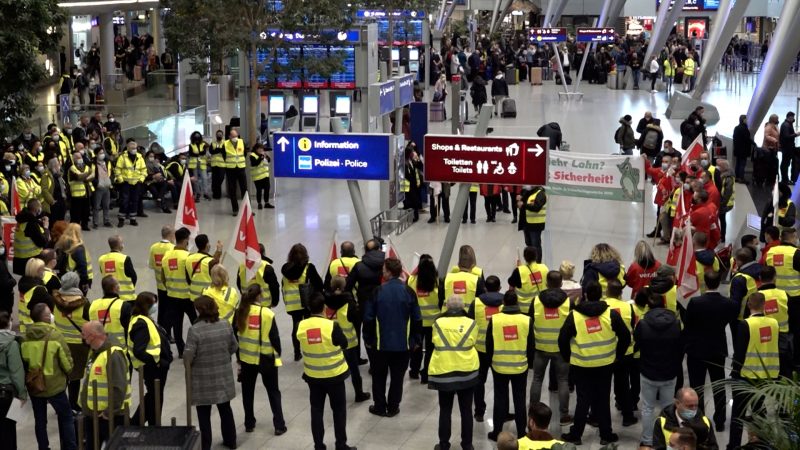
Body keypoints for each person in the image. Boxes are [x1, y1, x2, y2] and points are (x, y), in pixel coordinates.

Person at [559, 281, 631, 445]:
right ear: (601, 295)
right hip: (605, 364)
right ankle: (606, 435)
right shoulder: (610, 314)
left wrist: (568, 358)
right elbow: (626, 336)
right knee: (603, 399)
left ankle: (576, 435)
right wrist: (617, 355)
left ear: (584, 295)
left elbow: (562, 339)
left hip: (581, 364)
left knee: (582, 399)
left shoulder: (575, 316)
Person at [297, 293, 356, 450]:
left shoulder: (302, 326)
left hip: (313, 376)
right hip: (334, 376)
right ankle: (341, 445)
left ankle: (318, 445)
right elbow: (344, 343)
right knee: (338, 412)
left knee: (316, 411)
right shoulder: (331, 326)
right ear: (324, 308)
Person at [364, 257, 421, 417]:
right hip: (403, 345)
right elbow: (417, 318)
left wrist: (368, 339)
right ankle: (393, 406)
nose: (382, 272)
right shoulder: (409, 292)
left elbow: (368, 318)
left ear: (389, 272)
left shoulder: (377, 291)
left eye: (384, 269)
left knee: (379, 377)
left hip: (380, 344)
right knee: (397, 378)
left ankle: (380, 406)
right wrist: (416, 340)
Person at [684, 271, 738, 430]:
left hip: (697, 350)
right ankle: (720, 420)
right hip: (718, 349)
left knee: (697, 387)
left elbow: (688, 325)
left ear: (704, 282)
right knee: (719, 386)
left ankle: (698, 420)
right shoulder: (728, 304)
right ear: (720, 282)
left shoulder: (695, 302)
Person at [184, 295, 238, 450]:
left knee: (203, 413)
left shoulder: (195, 330)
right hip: (223, 376)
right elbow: (234, 346)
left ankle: (206, 445)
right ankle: (231, 440)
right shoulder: (225, 324)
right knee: (225, 408)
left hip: (202, 379)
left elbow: (188, 356)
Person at [728, 293, 780, 449]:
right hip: (766, 376)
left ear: (749, 305)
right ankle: (762, 444)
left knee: (738, 414)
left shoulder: (745, 325)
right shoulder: (774, 323)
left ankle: (734, 446)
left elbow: (739, 352)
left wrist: (734, 372)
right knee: (759, 412)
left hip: (746, 376)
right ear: (764, 305)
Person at [21, 303, 76, 450]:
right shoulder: (55, 336)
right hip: (55, 386)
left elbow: (24, 363)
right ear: (46, 317)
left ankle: (43, 447)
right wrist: (68, 371)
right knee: (66, 418)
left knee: (40, 421)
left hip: (35, 386)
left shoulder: (25, 338)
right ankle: (70, 447)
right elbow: (67, 362)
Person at [428, 295, 479, 450]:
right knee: (466, 411)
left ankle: (443, 444)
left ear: (447, 307)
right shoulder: (472, 323)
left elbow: (434, 342)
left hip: (443, 370)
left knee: (445, 409)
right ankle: (467, 444)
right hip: (467, 370)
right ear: (463, 307)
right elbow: (472, 342)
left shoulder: (437, 323)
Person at [234, 285, 287, 435]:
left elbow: (235, 336)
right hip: (266, 360)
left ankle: (249, 423)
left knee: (247, 392)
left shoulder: (240, 312)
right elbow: (275, 338)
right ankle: (279, 425)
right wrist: (278, 353)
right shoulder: (267, 314)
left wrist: (238, 358)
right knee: (273, 391)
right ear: (259, 296)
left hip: (246, 359)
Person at [635, 287, 684, 448]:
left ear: (648, 306)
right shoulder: (676, 324)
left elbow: (637, 344)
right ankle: (666, 439)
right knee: (668, 408)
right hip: (670, 372)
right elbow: (681, 348)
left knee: (648, 408)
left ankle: (648, 440)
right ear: (664, 305)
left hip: (648, 372)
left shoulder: (642, 324)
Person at [486, 291, 534, 440]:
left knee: (500, 399)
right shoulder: (526, 320)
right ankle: (521, 432)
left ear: (504, 303)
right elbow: (531, 344)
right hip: (520, 366)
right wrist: (530, 363)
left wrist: (489, 362)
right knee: (520, 400)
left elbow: (489, 343)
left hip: (499, 365)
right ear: (517, 302)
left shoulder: (495, 319)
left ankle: (497, 432)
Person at [528, 271, 572, 424]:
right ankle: (564, 416)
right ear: (561, 284)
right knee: (563, 381)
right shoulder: (568, 302)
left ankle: (533, 413)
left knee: (537, 379)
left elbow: (529, 322)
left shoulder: (536, 301)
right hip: (561, 349)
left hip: (540, 347)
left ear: (546, 283)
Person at [80, 320, 130, 450]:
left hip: (109, 417)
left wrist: (109, 412)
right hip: (93, 414)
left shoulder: (113, 355)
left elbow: (119, 386)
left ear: (92, 336)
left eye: (84, 334)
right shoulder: (95, 352)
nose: (81, 337)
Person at [127, 292, 172, 426]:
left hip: (155, 367)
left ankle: (152, 424)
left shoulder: (144, 319)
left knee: (154, 397)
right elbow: (139, 350)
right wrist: (157, 362)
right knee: (153, 398)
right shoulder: (141, 323)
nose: (155, 306)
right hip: (153, 369)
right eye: (153, 303)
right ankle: (137, 424)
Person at [324, 276, 370, 402]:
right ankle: (359, 393)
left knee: (333, 370)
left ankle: (335, 396)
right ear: (344, 287)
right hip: (348, 343)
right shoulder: (348, 303)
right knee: (354, 370)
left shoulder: (324, 301)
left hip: (330, 342)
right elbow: (356, 321)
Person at [52, 272, 90, 412]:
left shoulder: (55, 301)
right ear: (76, 283)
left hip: (59, 342)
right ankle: (73, 404)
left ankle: (61, 405)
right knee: (75, 376)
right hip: (78, 344)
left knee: (62, 374)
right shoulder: (84, 303)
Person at [603, 279, 638, 427]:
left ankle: (598, 418)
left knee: (603, 386)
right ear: (621, 293)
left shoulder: (602, 306)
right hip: (625, 351)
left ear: (607, 291)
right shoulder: (629, 307)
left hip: (606, 351)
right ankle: (627, 416)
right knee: (623, 384)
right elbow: (631, 328)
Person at [345, 239, 386, 364]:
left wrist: (353, 302)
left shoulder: (359, 266)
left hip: (364, 305)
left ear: (365, 251)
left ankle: (370, 361)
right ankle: (383, 360)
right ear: (379, 249)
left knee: (366, 333)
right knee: (381, 332)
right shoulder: (386, 265)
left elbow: (347, 287)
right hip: (383, 305)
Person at [281, 243, 323, 360]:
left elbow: (282, 285)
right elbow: (319, 284)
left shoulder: (285, 269)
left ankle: (297, 353)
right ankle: (310, 349)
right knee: (309, 325)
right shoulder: (309, 267)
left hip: (292, 303)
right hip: (307, 302)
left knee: (296, 326)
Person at [407, 254, 444, 383]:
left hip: (417, 321)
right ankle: (426, 374)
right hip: (433, 321)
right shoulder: (438, 281)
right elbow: (441, 301)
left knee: (416, 346)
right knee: (430, 349)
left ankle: (414, 370)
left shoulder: (411, 280)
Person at [162, 227, 194, 356]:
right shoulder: (188, 257)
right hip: (188, 296)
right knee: (195, 322)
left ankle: (181, 350)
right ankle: (198, 346)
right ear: (186, 240)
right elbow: (192, 276)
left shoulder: (166, 256)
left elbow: (163, 279)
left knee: (177, 325)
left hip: (172, 297)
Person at [758, 266, 794, 377]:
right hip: (782, 334)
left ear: (760, 278)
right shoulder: (784, 295)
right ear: (775, 278)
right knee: (783, 364)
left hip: (762, 336)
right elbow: (792, 316)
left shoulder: (755, 297)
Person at [653, 387, 718, 450]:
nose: (694, 409)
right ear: (677, 403)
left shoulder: (705, 422)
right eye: (690, 406)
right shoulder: (661, 422)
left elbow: (713, 447)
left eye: (696, 405)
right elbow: (658, 447)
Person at [0, 311, 26, 448]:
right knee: (9, 430)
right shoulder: (12, 344)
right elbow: (16, 371)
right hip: (7, 395)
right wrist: (22, 394)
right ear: (9, 324)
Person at [88, 276, 133, 347]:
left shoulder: (93, 305)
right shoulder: (123, 306)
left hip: (99, 349)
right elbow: (129, 330)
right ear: (115, 288)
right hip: (119, 351)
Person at [149, 225, 175, 336]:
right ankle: (168, 333)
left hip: (159, 284)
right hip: (170, 285)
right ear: (170, 235)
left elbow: (151, 265)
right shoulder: (172, 248)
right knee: (170, 311)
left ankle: (160, 331)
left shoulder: (153, 247)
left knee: (162, 309)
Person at [17, 258, 55, 333]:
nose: (44, 272)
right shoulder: (38, 289)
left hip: (25, 324)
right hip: (37, 327)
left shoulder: (23, 282)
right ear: (38, 271)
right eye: (43, 269)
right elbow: (53, 305)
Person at [507, 246, 549, 312]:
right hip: (540, 307)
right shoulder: (544, 268)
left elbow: (511, 288)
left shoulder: (519, 271)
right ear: (536, 256)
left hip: (524, 309)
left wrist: (518, 268)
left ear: (524, 257)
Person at [13, 199, 49, 275]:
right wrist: (46, 228)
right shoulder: (31, 223)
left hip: (20, 260)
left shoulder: (23, 219)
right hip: (31, 260)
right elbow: (42, 242)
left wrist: (39, 222)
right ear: (37, 209)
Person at [114, 141, 146, 227]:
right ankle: (121, 219)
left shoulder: (140, 157)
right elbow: (117, 169)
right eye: (132, 148)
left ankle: (133, 219)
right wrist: (120, 180)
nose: (134, 150)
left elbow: (143, 170)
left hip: (136, 183)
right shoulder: (122, 157)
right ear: (128, 148)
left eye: (135, 148)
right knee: (124, 201)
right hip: (125, 183)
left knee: (134, 201)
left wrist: (141, 179)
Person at [55, 223, 93, 294]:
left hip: (66, 276)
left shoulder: (62, 244)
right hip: (78, 279)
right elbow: (82, 265)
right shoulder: (78, 248)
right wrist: (85, 281)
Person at [97, 235, 137, 301]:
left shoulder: (102, 259)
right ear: (120, 245)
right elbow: (134, 277)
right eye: (122, 243)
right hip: (127, 298)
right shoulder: (124, 259)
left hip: (109, 298)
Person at [187, 234, 223, 301]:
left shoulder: (189, 258)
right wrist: (219, 250)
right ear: (207, 245)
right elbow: (214, 262)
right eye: (208, 242)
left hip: (193, 297)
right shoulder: (209, 262)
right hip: (207, 299)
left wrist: (218, 251)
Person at [224, 129, 247, 216]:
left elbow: (244, 154)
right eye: (233, 136)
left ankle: (247, 209)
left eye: (236, 136)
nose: (235, 138)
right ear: (229, 136)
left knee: (244, 189)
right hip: (230, 169)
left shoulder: (241, 142)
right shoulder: (225, 144)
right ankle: (235, 209)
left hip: (241, 168)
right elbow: (223, 155)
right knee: (232, 190)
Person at [517, 185, 546, 252]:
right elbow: (520, 204)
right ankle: (530, 260)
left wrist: (523, 205)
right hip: (525, 223)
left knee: (535, 245)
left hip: (535, 225)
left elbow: (537, 207)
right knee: (528, 244)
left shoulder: (540, 193)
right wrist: (519, 200)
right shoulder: (526, 191)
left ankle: (537, 262)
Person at [402, 143, 423, 222]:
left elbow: (419, 165)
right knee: (409, 201)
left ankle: (415, 216)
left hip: (414, 185)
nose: (413, 154)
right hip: (407, 185)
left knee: (414, 201)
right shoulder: (404, 163)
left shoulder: (411, 161)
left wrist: (417, 158)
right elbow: (406, 175)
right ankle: (411, 216)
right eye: (411, 153)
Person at [92, 148, 113, 227]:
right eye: (100, 153)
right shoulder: (93, 163)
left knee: (106, 205)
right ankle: (95, 222)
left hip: (107, 186)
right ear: (96, 154)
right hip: (98, 187)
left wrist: (110, 182)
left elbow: (111, 172)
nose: (102, 154)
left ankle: (106, 221)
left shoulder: (107, 162)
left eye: (103, 153)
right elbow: (92, 175)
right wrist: (97, 183)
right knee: (96, 206)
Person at [187, 131, 211, 201]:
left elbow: (203, 152)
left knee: (205, 178)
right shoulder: (191, 145)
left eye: (198, 136)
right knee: (195, 180)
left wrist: (197, 153)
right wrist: (199, 153)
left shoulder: (203, 144)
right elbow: (191, 154)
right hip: (194, 164)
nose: (197, 137)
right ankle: (198, 193)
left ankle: (206, 193)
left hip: (202, 164)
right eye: (195, 136)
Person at [249, 143, 273, 209]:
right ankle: (259, 203)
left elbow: (269, 160)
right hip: (257, 177)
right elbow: (255, 163)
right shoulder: (252, 155)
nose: (261, 150)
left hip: (265, 175)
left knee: (267, 189)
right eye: (259, 149)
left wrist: (266, 156)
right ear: (256, 149)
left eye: (262, 148)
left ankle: (266, 203)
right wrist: (261, 157)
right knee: (259, 190)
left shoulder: (263, 154)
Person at [733, 115, 754, 183]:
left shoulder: (736, 128)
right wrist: (753, 143)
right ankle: (741, 178)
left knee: (738, 164)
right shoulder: (744, 128)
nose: (747, 120)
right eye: (746, 119)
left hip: (737, 149)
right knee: (742, 164)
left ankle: (737, 177)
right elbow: (747, 139)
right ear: (743, 120)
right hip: (744, 149)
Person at [780, 112, 800, 183]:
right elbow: (786, 136)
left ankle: (785, 179)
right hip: (787, 148)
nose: (794, 119)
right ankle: (785, 179)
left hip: (788, 147)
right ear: (789, 117)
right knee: (785, 164)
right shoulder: (786, 125)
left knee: (785, 163)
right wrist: (796, 134)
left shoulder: (787, 124)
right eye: (793, 117)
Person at [209, 130, 226, 199]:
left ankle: (216, 191)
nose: (219, 135)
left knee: (220, 178)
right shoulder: (213, 143)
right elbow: (211, 152)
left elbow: (224, 151)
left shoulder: (225, 143)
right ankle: (216, 194)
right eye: (218, 134)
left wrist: (216, 150)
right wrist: (219, 150)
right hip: (214, 164)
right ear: (216, 135)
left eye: (220, 134)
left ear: (222, 135)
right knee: (214, 179)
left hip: (222, 164)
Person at [0, 238, 15, 314]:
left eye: (2, 246)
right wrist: (13, 281)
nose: (2, 249)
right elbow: (5, 283)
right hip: (4, 299)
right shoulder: (1, 264)